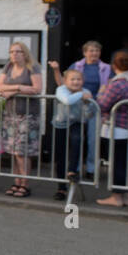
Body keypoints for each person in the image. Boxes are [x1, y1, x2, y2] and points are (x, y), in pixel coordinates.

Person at [96, 51, 128, 208]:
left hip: (118, 129)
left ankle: (116, 196)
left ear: (114, 66)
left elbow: (103, 104)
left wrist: (101, 92)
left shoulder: (116, 84)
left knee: (117, 164)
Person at [0, 41, 42, 198]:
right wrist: (19, 88)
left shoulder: (33, 67)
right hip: (11, 114)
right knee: (14, 152)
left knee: (23, 152)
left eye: (18, 51)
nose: (14, 55)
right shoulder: (8, 67)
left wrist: (13, 90)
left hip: (28, 115)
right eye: (11, 52)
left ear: (24, 53)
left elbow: (36, 89)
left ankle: (25, 184)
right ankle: (16, 182)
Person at [51, 69, 97, 200]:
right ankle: (61, 188)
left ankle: (72, 170)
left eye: (79, 79)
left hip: (76, 122)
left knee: (77, 140)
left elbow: (89, 114)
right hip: (61, 124)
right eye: (72, 79)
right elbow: (67, 100)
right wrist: (81, 95)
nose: (76, 82)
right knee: (61, 156)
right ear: (65, 81)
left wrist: (88, 104)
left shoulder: (86, 92)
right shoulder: (61, 89)